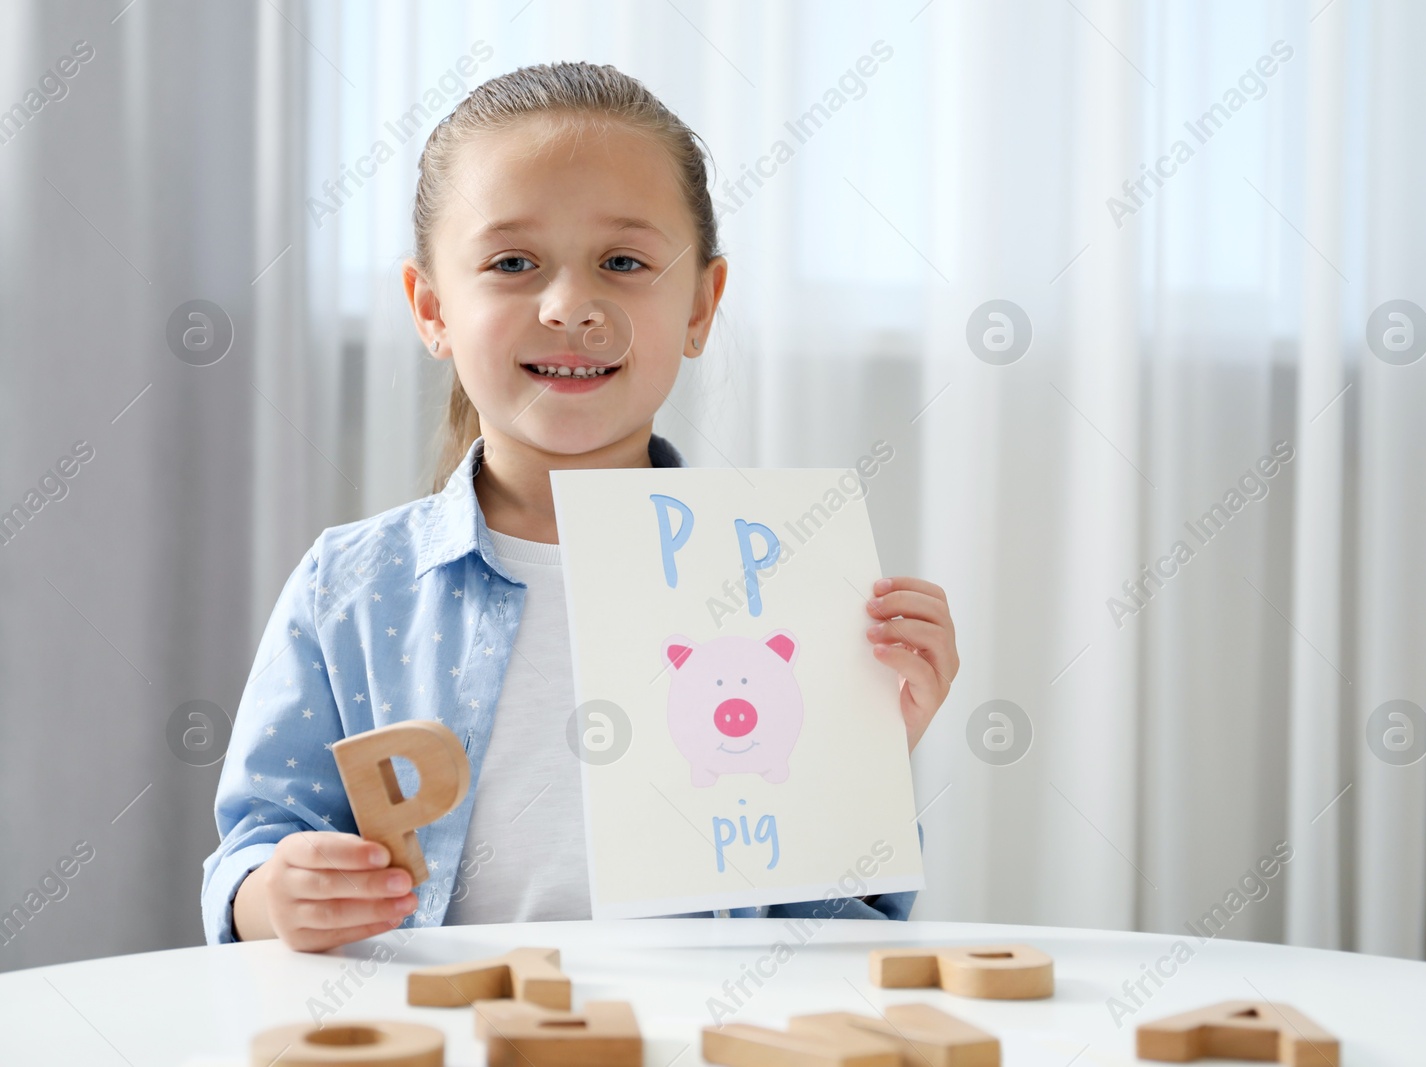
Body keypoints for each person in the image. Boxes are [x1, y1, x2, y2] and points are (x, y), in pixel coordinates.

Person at [201, 61, 959, 951]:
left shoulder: (785, 582)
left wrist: (857, 757)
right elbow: (254, 844)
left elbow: (842, 941)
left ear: (701, 306)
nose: (571, 306)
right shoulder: (354, 589)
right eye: (513, 262)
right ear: (432, 307)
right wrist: (274, 894)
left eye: (625, 262)